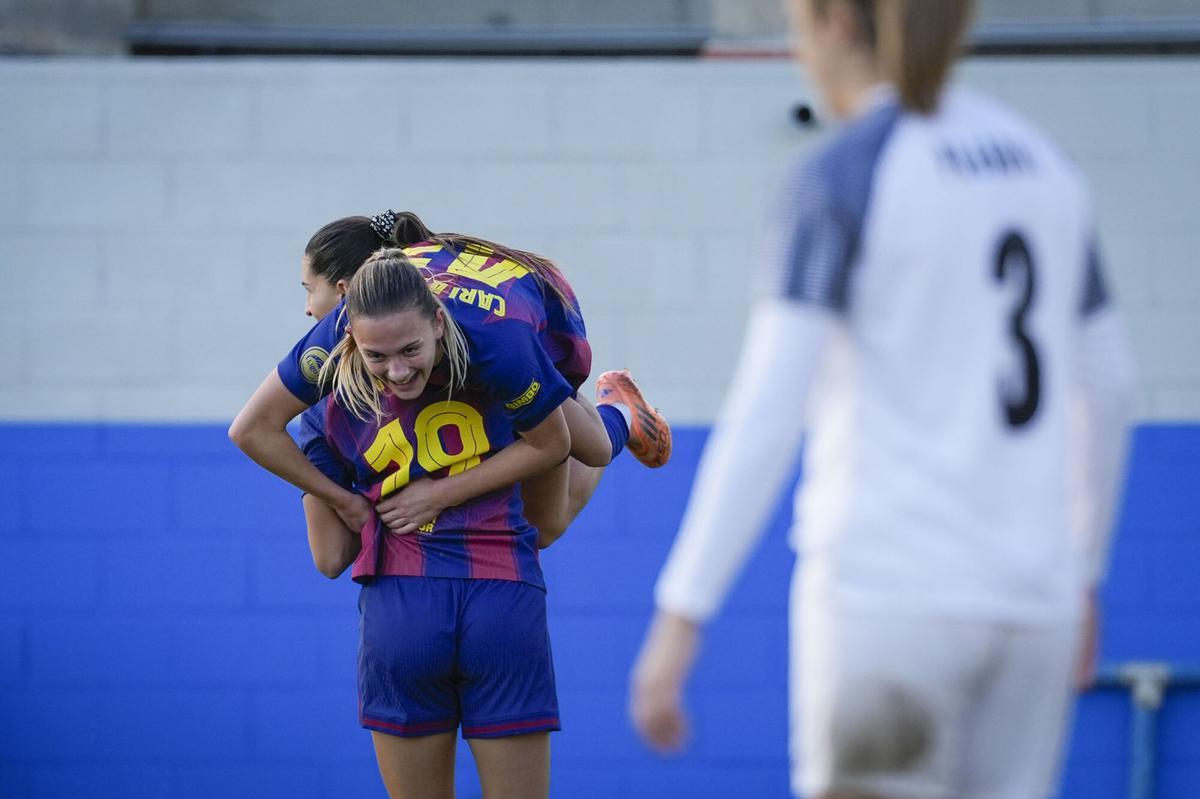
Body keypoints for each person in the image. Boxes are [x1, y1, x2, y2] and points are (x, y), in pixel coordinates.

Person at [628, 2, 1137, 798]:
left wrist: (681, 610)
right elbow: (1109, 386)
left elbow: (769, 410)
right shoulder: (1046, 167)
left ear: (835, 21)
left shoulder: (844, 171)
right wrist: (1082, 571)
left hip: (894, 597)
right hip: (1035, 604)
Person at [232, 210, 671, 579]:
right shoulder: (345, 335)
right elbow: (328, 556)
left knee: (578, 471)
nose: (307, 308)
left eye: (310, 290)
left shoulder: (488, 339)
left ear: (346, 291)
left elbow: (552, 444)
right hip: (473, 320)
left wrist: (439, 494)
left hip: (532, 332)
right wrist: (343, 500)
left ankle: (619, 413)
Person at [287, 250, 566, 797]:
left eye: (309, 292)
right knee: (562, 496)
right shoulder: (494, 356)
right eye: (382, 356)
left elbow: (329, 559)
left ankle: (615, 425)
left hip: (402, 609)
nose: (398, 370)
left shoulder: (327, 407)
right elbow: (560, 444)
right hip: (504, 595)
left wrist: (341, 499)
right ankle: (619, 420)